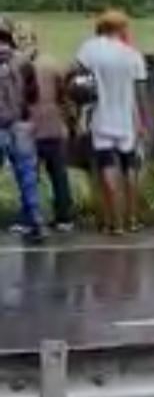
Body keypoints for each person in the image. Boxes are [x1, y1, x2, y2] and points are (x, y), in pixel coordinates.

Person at [74, 9, 152, 234]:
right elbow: (141, 94)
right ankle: (133, 218)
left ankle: (113, 222)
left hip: (100, 117)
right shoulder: (132, 55)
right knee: (129, 167)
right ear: (121, 28)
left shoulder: (89, 49)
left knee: (107, 165)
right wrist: (144, 122)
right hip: (127, 119)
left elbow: (78, 80)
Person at [21, 26, 75, 232]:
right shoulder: (52, 63)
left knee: (29, 175)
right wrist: (69, 121)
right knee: (59, 174)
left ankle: (31, 216)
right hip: (53, 125)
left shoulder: (19, 65)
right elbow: (64, 95)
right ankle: (64, 217)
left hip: (29, 127)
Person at [0, 17, 45, 242]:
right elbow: (34, 95)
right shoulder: (23, 61)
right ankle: (36, 219)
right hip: (21, 125)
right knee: (27, 176)